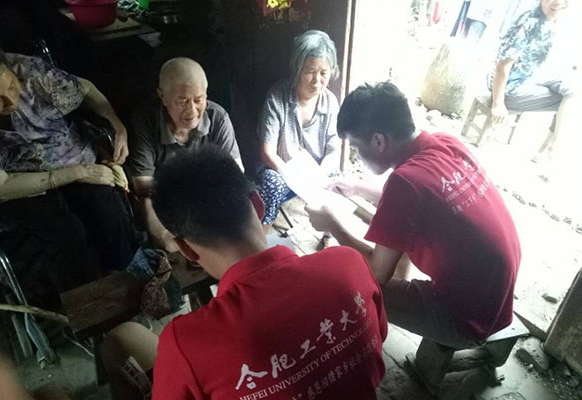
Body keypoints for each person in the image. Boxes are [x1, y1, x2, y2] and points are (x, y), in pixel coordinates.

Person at [100, 145, 387, 400]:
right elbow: (378, 338)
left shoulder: (187, 342)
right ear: (258, 204)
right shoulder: (349, 265)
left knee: (121, 338)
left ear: (186, 249)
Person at [306, 82, 521, 352]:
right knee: (399, 239)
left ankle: (361, 351)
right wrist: (357, 188)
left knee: (349, 280)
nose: (357, 156)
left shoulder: (404, 184)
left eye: (356, 148)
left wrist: (333, 226)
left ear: (378, 141)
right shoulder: (445, 143)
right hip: (496, 295)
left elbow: (376, 273)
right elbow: (418, 198)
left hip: (468, 320)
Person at [0, 39, 137, 304]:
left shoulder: (29, 71)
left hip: (69, 155)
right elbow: (0, 185)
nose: (11, 102)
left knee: (108, 210)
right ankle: (91, 307)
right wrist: (76, 173)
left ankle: (135, 281)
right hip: (20, 185)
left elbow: (86, 90)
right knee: (66, 235)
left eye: (12, 86)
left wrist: (116, 124)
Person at [127, 58, 243, 253]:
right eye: (181, 102)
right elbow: (142, 185)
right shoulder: (145, 121)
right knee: (147, 206)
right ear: (162, 96)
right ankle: (171, 245)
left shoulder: (218, 116)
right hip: (163, 197)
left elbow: (235, 171)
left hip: (204, 193)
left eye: (198, 100)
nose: (191, 111)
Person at [257, 30, 341, 241]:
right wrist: (292, 176)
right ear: (297, 70)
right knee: (271, 183)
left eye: (324, 73)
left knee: (337, 181)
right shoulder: (277, 97)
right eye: (310, 72)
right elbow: (267, 152)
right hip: (283, 169)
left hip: (315, 172)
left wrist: (320, 175)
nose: (317, 81)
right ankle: (262, 237)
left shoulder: (330, 102)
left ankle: (328, 235)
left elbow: (333, 149)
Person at [489, 0, 574, 162]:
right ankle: (548, 152)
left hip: (532, 79)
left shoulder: (554, 21)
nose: (557, 3)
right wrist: (498, 103)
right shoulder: (528, 21)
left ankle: (549, 149)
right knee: (571, 100)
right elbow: (503, 66)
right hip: (510, 88)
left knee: (574, 90)